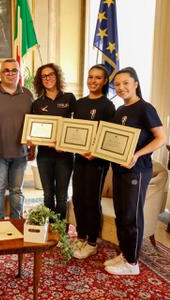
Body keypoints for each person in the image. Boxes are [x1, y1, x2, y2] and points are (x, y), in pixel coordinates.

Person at [104, 67, 166, 275]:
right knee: (121, 214)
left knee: (131, 216)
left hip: (137, 171)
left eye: (125, 83)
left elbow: (161, 138)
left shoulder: (145, 108)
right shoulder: (120, 110)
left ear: (136, 84)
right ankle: (125, 253)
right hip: (119, 170)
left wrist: (137, 155)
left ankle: (132, 264)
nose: (121, 88)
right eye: (117, 84)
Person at [71, 65, 116, 259]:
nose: (93, 81)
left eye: (98, 78)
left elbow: (109, 136)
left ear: (105, 81)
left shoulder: (108, 106)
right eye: (90, 77)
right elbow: (74, 131)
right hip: (80, 157)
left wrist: (96, 153)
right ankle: (80, 236)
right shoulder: (80, 103)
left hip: (97, 161)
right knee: (78, 197)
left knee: (91, 200)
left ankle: (91, 241)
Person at [0, 58, 34, 220]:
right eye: (6, 70)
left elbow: (34, 124)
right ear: (0, 73)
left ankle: (16, 221)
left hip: (20, 154)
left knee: (16, 190)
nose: (10, 73)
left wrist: (33, 147)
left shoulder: (27, 94)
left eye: (14, 70)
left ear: (19, 73)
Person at [32, 63, 76, 220]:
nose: (47, 78)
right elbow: (33, 129)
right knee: (48, 194)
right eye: (43, 76)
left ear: (57, 76)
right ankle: (49, 229)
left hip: (65, 155)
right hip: (44, 155)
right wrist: (30, 146)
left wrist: (66, 145)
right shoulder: (37, 103)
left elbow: (76, 127)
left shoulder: (69, 98)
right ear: (40, 80)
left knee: (62, 195)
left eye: (50, 74)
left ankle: (60, 231)